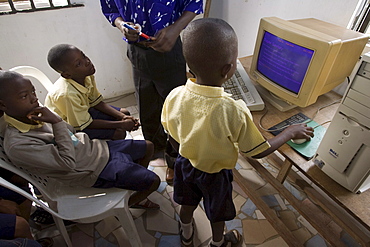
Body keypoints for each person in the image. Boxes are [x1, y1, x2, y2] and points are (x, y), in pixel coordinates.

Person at [161, 18, 314, 247]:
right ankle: (219, 242)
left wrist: (188, 152)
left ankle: (186, 234)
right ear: (228, 69)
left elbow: (171, 136)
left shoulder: (175, 96)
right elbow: (258, 151)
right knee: (218, 214)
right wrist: (288, 133)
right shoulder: (233, 110)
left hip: (186, 165)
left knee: (187, 203)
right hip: (215, 176)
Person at [0, 70, 160, 210]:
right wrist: (56, 122)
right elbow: (67, 163)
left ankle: (133, 185)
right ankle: (129, 203)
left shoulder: (34, 114)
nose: (34, 99)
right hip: (90, 170)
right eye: (24, 96)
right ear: (3, 105)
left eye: (33, 92)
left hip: (94, 149)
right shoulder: (17, 144)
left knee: (148, 147)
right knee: (154, 181)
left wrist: (57, 122)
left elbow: (70, 132)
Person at [99, 0, 204, 185]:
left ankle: (174, 159)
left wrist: (176, 28)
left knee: (175, 111)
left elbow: (194, 3)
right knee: (147, 107)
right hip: (137, 51)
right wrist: (121, 24)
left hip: (168, 50)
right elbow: (111, 8)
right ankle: (154, 149)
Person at [45, 44, 139, 141]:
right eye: (78, 64)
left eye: (84, 56)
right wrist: (121, 124)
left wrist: (123, 117)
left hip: (84, 111)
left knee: (124, 112)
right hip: (70, 125)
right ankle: (110, 151)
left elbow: (96, 102)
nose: (87, 62)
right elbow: (84, 124)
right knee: (119, 132)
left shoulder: (86, 74)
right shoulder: (66, 95)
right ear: (67, 74)